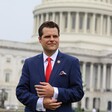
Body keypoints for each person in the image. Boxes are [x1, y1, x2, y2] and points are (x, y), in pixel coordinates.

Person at [16, 21, 84, 112]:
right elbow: (21, 92)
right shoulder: (30, 63)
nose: (52, 39)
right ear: (40, 39)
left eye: (55, 36)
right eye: (47, 36)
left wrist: (54, 92)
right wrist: (41, 102)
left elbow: (78, 92)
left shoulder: (71, 62)